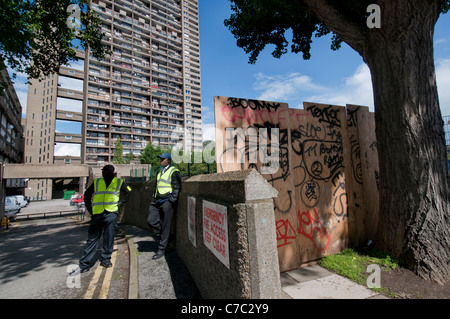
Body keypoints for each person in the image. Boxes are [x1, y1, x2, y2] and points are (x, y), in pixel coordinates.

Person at [73, 164, 132, 274]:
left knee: (109, 237)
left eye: (106, 171)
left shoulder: (118, 182)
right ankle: (84, 264)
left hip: (111, 214)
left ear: (111, 172)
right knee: (92, 239)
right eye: (103, 171)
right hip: (98, 214)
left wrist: (119, 204)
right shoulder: (97, 182)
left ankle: (105, 259)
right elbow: (87, 195)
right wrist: (90, 209)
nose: (104, 172)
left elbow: (128, 191)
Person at [147, 152, 181, 260]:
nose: (160, 161)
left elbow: (177, 187)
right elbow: (158, 186)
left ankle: (161, 249)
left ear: (168, 160)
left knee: (166, 226)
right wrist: (154, 197)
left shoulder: (174, 171)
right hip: (157, 200)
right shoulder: (160, 172)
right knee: (151, 221)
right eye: (160, 159)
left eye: (162, 159)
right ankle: (167, 238)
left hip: (167, 201)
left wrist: (171, 201)